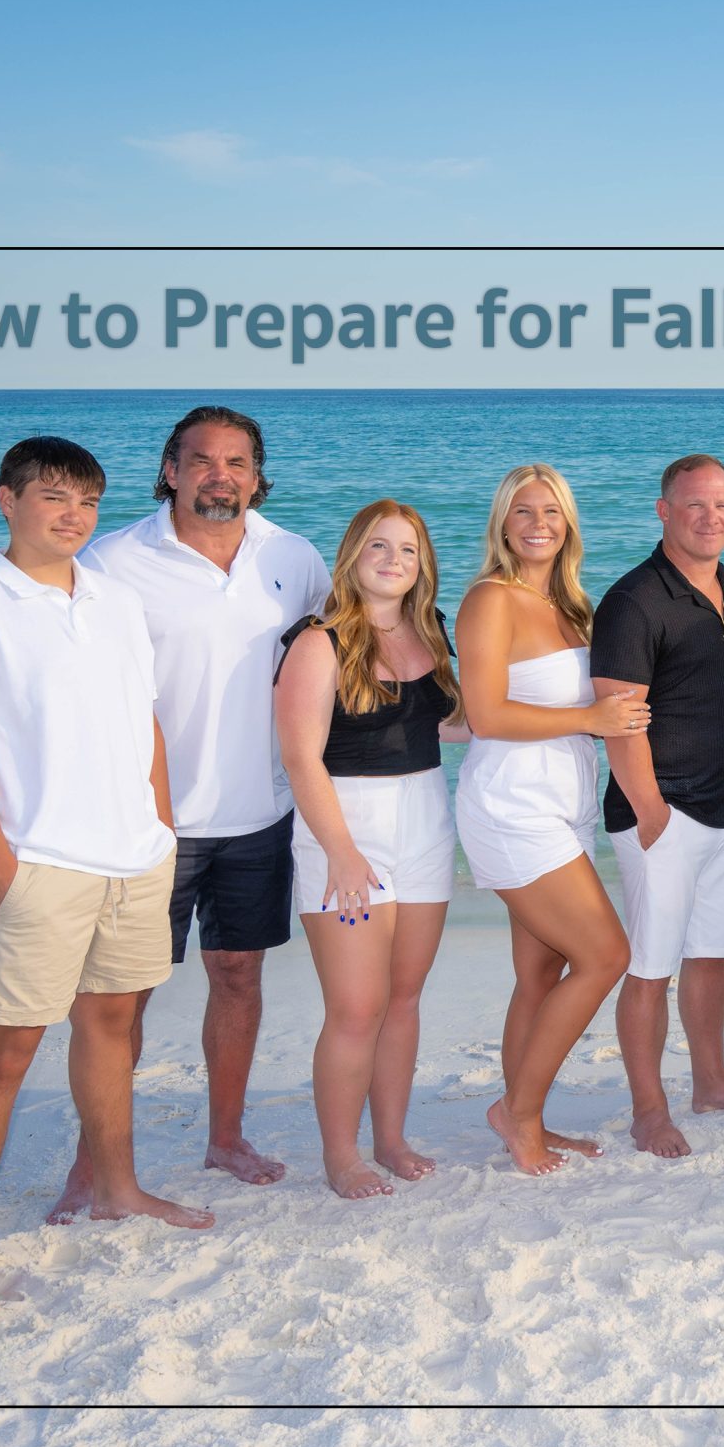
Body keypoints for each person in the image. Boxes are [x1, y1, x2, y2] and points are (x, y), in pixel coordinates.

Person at [0, 438, 210, 1302]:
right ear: (7, 501)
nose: (73, 516)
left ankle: (117, 1190)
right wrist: (3, 871)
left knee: (113, 1026)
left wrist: (160, 825)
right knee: (4, 1053)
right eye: (52, 498)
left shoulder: (114, 601)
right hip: (37, 867)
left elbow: (143, 722)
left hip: (134, 856)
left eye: (86, 501)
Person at [58, 405, 329, 1219]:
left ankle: (226, 1137)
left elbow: (336, 661)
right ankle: (94, 1168)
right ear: (170, 470)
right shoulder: (110, 563)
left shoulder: (295, 558)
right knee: (121, 1002)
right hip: (147, 823)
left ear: (257, 475)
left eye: (237, 462)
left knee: (239, 976)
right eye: (202, 461)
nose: (221, 476)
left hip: (261, 815)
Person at [455, 464, 643, 1174]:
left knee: (543, 971)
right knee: (606, 955)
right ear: (503, 522)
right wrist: (590, 718)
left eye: (552, 513)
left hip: (562, 810)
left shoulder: (571, 607)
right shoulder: (490, 600)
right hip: (511, 809)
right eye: (523, 511)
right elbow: (486, 714)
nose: (538, 524)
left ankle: (518, 1108)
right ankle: (520, 1114)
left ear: (568, 526)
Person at [272, 500, 459, 1198]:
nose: (393, 560)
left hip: (427, 825)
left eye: (408, 551)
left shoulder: (430, 631)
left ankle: (390, 1138)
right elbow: (300, 759)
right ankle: (340, 1155)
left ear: (422, 566)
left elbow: (453, 724)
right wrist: (342, 852)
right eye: (379, 546)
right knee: (356, 1008)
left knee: (403, 998)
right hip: (346, 832)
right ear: (352, 554)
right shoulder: (319, 642)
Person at [592, 454, 724, 1156]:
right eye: (695, 505)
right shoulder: (634, 600)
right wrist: (651, 813)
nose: (711, 516)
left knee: (711, 954)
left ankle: (710, 1082)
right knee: (651, 966)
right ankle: (647, 1109)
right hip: (660, 814)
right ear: (663, 511)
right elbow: (618, 716)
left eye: (722, 504)